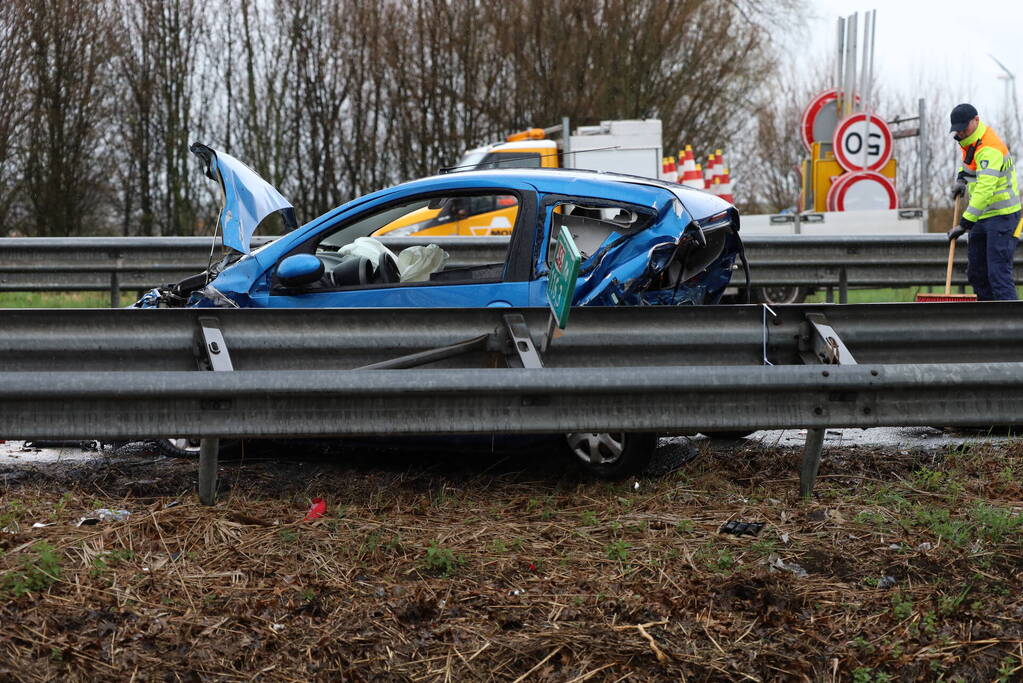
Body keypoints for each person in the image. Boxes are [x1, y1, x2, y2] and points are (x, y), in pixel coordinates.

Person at [947, 103, 1022, 300]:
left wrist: (964, 224)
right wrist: (961, 179)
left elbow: (984, 190)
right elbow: (970, 166)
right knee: (977, 274)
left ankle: (1011, 318)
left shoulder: (990, 147)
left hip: (1004, 217)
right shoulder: (969, 141)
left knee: (998, 274)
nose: (961, 132)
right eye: (958, 129)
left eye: (964, 127)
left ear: (976, 120)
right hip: (983, 215)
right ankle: (987, 317)